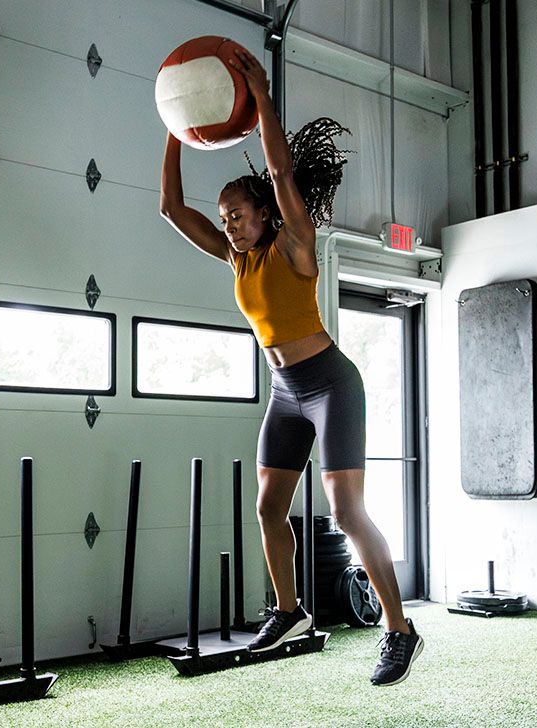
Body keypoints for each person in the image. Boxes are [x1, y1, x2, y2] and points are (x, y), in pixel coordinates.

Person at [157, 45, 422, 686]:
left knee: (346, 513)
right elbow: (171, 208)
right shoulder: (237, 259)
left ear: (265, 214)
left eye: (238, 216)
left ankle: (399, 629)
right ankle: (288, 609)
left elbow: (278, 172)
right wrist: (175, 127)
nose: (230, 225)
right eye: (225, 218)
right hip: (285, 391)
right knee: (268, 507)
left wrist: (263, 99)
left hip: (330, 384)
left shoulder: (294, 244)